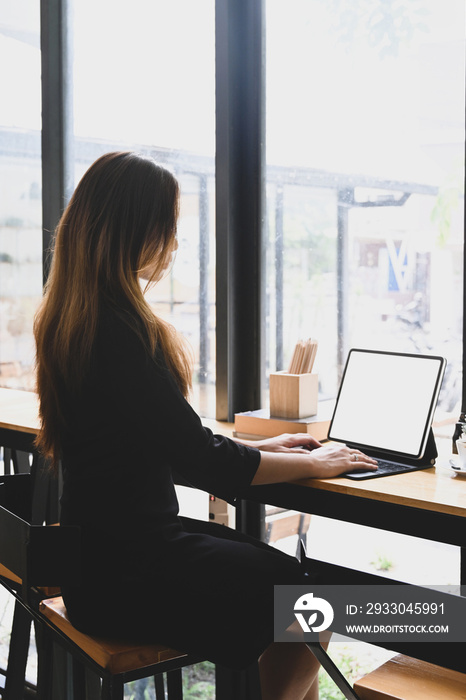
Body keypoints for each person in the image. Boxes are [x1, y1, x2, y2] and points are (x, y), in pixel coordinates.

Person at [34, 151, 377, 700]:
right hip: (129, 572)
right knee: (310, 604)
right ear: (134, 232)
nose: (173, 245)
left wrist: (267, 448)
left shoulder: (75, 322)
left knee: (293, 589)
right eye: (167, 229)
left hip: (99, 564)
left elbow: (162, 442)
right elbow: (201, 460)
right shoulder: (120, 335)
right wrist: (314, 461)